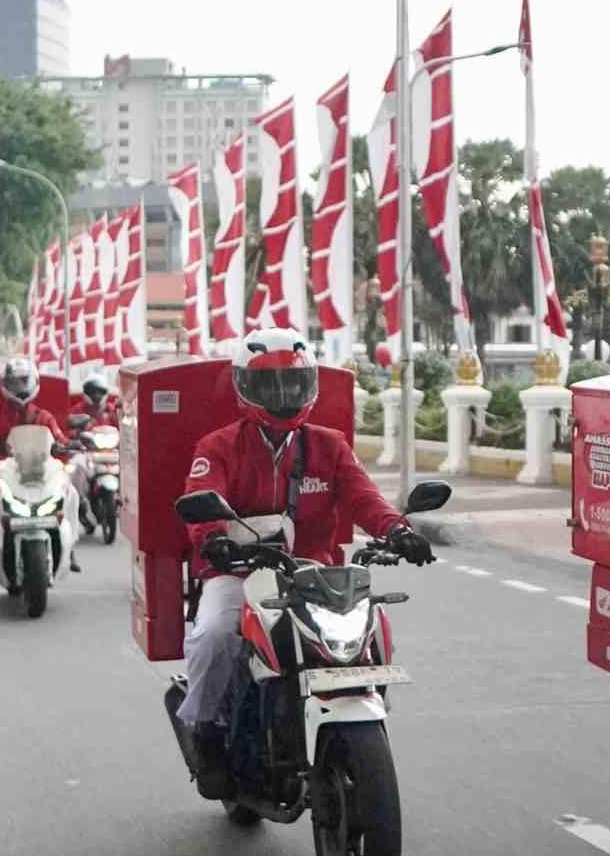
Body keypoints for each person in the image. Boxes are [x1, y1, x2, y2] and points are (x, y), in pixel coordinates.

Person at [177, 327, 434, 798]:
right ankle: (207, 728)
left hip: (314, 574)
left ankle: (358, 707)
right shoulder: (219, 446)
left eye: (292, 384)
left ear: (309, 385)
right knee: (213, 634)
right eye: (269, 386)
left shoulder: (329, 445)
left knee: (370, 627)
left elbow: (365, 499)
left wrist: (399, 531)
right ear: (244, 388)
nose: (282, 397)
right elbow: (201, 495)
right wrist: (212, 539)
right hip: (238, 573)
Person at [0, 357, 81, 575]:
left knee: (72, 492)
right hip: (4, 469)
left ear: (33, 381)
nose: (20, 387)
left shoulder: (42, 416)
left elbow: (58, 438)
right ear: (5, 384)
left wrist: (68, 445)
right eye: (15, 382)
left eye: (24, 381)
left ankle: (71, 546)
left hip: (40, 470)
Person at [66, 373, 121, 528]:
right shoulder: (78, 410)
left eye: (100, 391)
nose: (96, 395)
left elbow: (123, 428)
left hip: (110, 452)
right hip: (85, 452)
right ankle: (80, 502)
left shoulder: (112, 410)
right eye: (92, 391)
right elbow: (67, 429)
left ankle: (122, 496)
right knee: (76, 468)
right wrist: (75, 437)